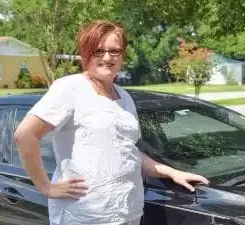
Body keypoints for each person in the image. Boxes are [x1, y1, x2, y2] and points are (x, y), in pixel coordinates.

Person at [14, 20, 210, 225]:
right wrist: (46, 187)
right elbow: (25, 135)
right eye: (98, 51)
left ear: (122, 55)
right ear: (85, 54)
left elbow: (127, 151)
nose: (107, 57)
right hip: (85, 215)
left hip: (127, 212)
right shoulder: (70, 88)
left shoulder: (124, 97)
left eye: (114, 51)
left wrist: (171, 172)